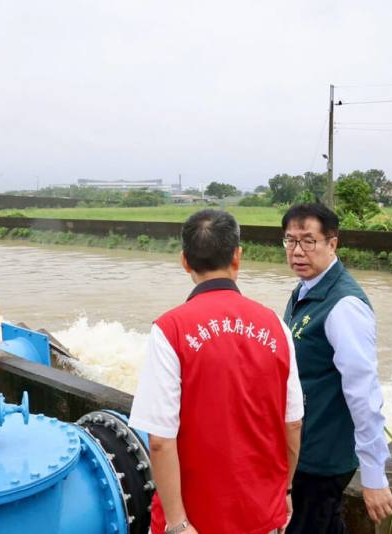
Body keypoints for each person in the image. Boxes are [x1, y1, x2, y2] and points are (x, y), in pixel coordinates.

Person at [130, 209, 303, 534]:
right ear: (238, 256)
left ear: (184, 261)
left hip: (195, 522)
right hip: (261, 516)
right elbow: (292, 423)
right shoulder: (277, 327)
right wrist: (286, 491)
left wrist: (178, 523)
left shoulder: (170, 331)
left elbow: (160, 442)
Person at [280, 203, 392, 533]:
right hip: (304, 445)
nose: (297, 251)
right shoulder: (306, 290)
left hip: (323, 456)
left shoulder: (344, 306)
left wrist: (374, 476)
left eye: (309, 241)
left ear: (332, 243)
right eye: (290, 241)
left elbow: (364, 392)